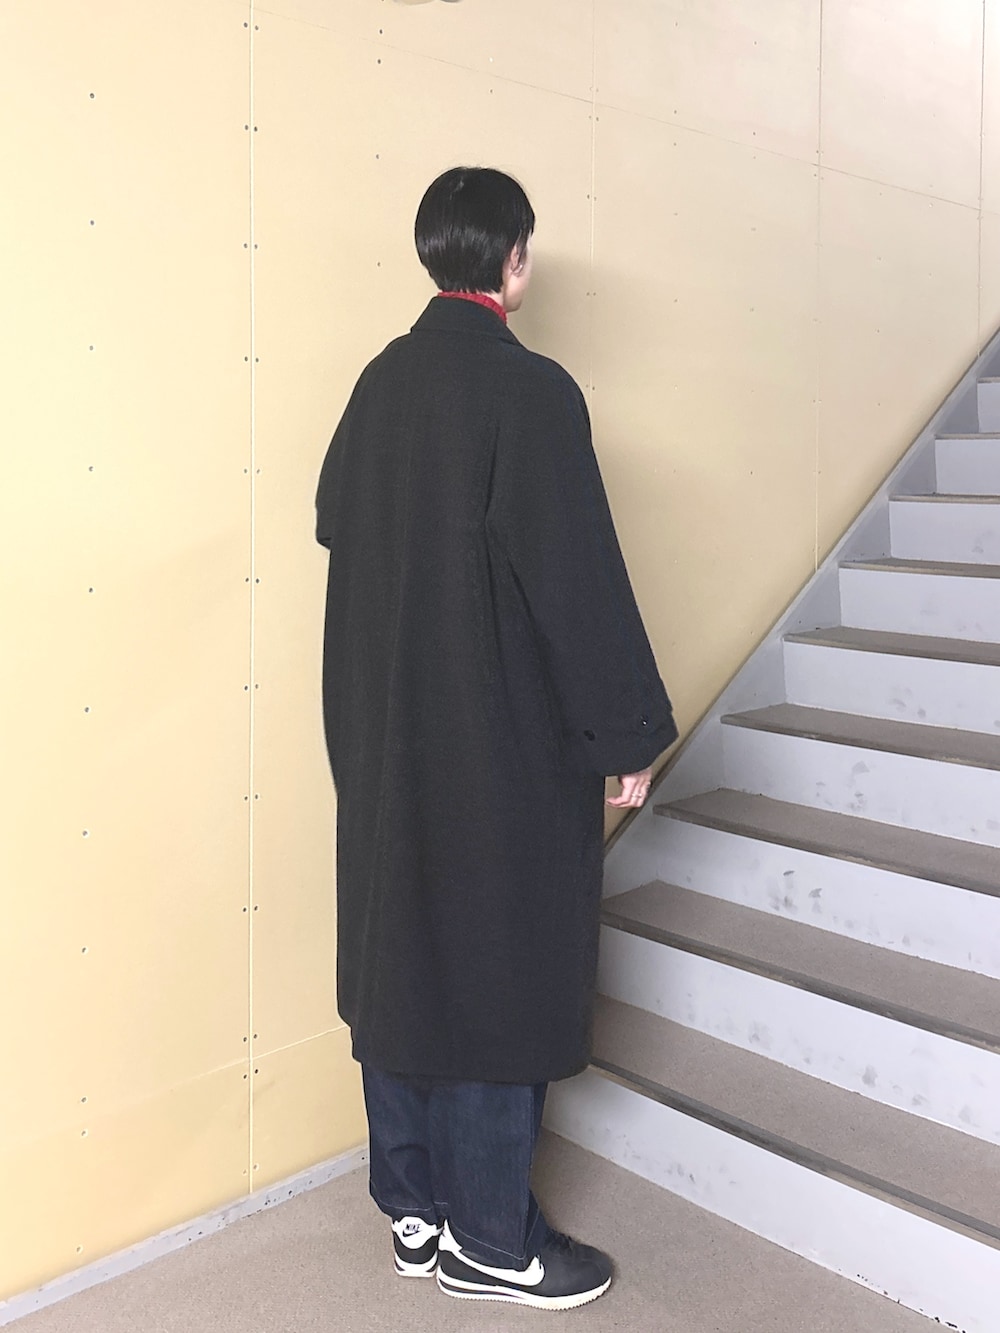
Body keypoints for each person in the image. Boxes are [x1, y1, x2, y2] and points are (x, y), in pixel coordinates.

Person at [316, 166, 676, 1310]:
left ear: (435, 256)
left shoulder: (379, 382)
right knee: (491, 961)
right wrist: (625, 731)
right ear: (512, 261)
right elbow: (574, 580)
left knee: (400, 949)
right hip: (492, 735)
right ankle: (488, 1238)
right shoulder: (531, 392)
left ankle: (413, 1210)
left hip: (383, 726)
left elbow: (337, 523)